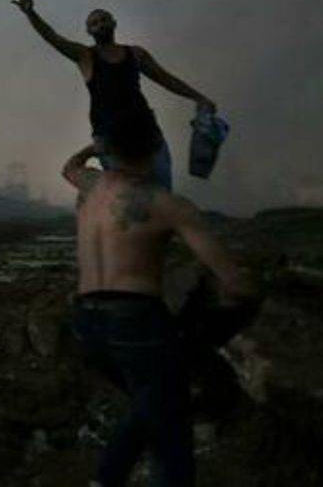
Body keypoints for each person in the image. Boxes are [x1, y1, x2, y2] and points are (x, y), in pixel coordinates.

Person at [62, 109, 258, 487]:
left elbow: (69, 166)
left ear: (110, 148)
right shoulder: (168, 204)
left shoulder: (90, 184)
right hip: (135, 322)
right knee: (167, 421)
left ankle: (109, 478)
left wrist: (96, 147)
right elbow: (234, 282)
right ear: (156, 148)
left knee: (155, 408)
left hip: (86, 323)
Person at [13, 0, 217, 191]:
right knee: (130, 199)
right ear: (89, 31)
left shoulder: (135, 54)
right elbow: (53, 37)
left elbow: (165, 78)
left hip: (148, 136)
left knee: (162, 194)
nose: (100, 24)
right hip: (111, 142)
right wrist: (31, 14)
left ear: (114, 23)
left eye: (104, 20)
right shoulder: (85, 56)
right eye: (94, 23)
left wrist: (198, 97)